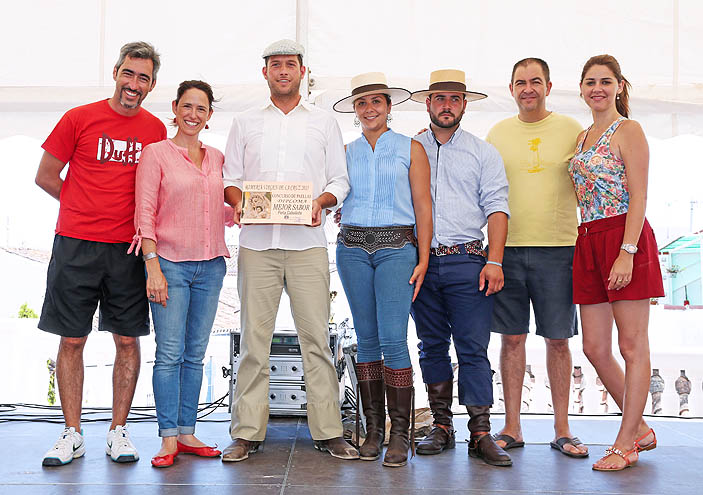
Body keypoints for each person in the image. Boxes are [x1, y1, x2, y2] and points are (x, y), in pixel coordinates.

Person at [221, 39, 357, 462]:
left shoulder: (323, 123)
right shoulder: (244, 122)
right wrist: (238, 201)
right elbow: (231, 178)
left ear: (302, 71)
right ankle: (246, 432)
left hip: (307, 246)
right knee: (253, 343)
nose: (283, 71)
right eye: (275, 65)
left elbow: (339, 180)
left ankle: (329, 431)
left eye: (290, 65)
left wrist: (322, 202)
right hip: (257, 246)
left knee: (316, 339)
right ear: (265, 72)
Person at [35, 41, 166, 466]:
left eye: (143, 78)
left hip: (128, 250)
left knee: (127, 339)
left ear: (151, 85)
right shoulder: (79, 118)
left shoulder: (155, 130)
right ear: (115, 72)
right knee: (72, 338)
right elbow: (46, 176)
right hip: (74, 245)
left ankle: (118, 431)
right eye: (129, 73)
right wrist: (81, 210)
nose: (134, 84)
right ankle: (72, 434)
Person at [486, 58, 589, 459]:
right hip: (506, 250)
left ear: (548, 86)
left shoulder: (571, 131)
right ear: (510, 89)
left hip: (560, 250)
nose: (527, 88)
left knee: (558, 340)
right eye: (520, 83)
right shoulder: (497, 133)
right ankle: (512, 426)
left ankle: (562, 429)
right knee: (511, 340)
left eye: (535, 82)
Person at [410, 69, 512, 466]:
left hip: (469, 261)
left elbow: (497, 207)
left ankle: (481, 433)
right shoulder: (409, 148)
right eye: (439, 98)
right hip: (420, 263)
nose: (447, 105)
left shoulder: (483, 152)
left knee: (473, 348)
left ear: (465, 104)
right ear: (428, 102)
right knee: (430, 345)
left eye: (455, 98)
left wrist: (494, 260)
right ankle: (441, 426)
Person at [332, 73, 432, 467]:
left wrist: (423, 257)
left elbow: (423, 205)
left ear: (389, 107)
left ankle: (400, 435)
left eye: (377, 101)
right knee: (366, 339)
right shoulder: (344, 152)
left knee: (393, 339)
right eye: (362, 103)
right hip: (351, 247)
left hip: (398, 248)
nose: (370, 108)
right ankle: (373, 431)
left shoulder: (411, 148)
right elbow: (333, 196)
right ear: (355, 111)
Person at [569, 54, 664, 471]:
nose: (597, 88)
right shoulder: (582, 137)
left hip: (624, 236)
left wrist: (627, 252)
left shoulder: (629, 130)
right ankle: (640, 426)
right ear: (582, 88)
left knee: (631, 343)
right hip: (588, 238)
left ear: (620, 86)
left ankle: (626, 442)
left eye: (605, 81)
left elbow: (639, 195)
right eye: (590, 81)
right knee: (594, 346)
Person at [130, 80, 231, 468]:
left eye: (201, 109)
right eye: (187, 106)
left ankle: (188, 432)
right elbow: (145, 212)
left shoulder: (218, 158)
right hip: (168, 263)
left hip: (211, 266)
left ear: (209, 116)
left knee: (195, 354)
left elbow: (217, 210)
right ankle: (168, 437)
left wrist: (248, 210)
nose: (193, 115)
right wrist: (151, 264)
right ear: (174, 108)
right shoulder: (156, 154)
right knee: (169, 354)